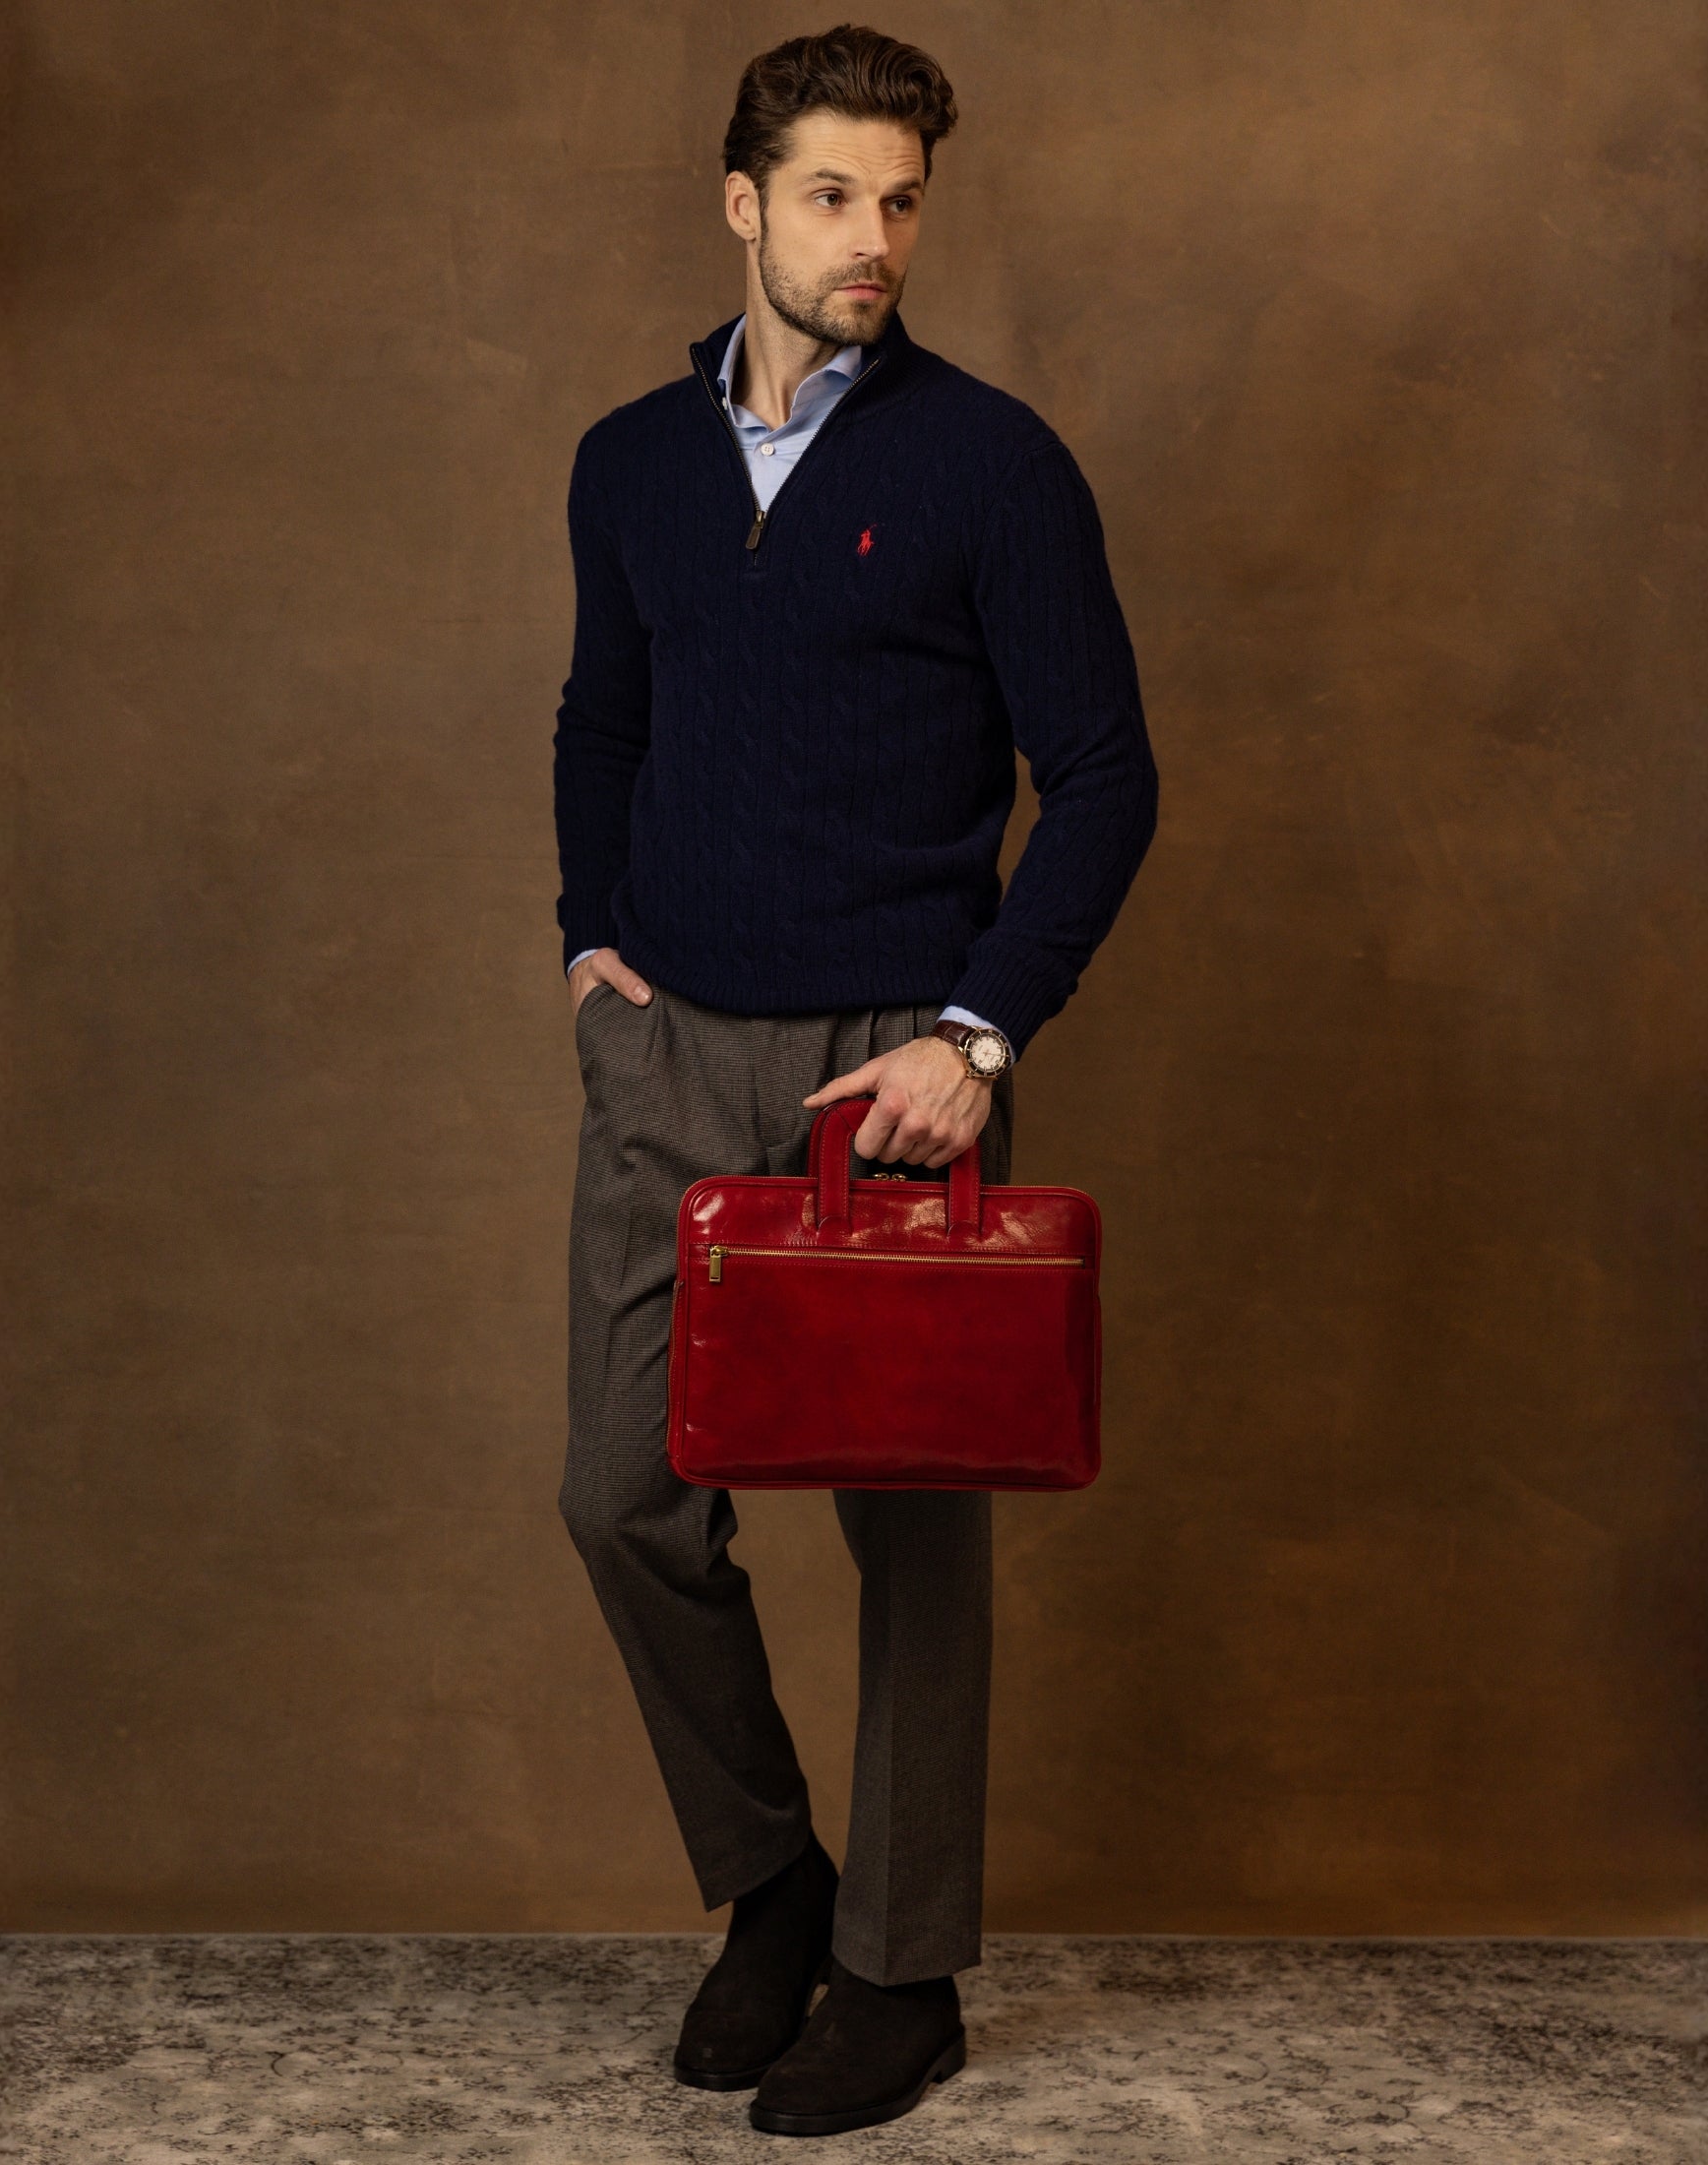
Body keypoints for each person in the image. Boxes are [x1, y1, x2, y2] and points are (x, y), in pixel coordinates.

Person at [551, 20, 1157, 2139]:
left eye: (901, 198)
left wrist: (976, 1037)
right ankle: (774, 1884)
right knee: (621, 1495)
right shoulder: (627, 463)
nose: (872, 236)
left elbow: (1103, 777)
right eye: (830, 194)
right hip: (670, 1050)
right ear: (743, 204)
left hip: (898, 1073)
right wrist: (589, 945)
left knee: (914, 1542)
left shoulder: (993, 463)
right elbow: (600, 720)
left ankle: (899, 1973)